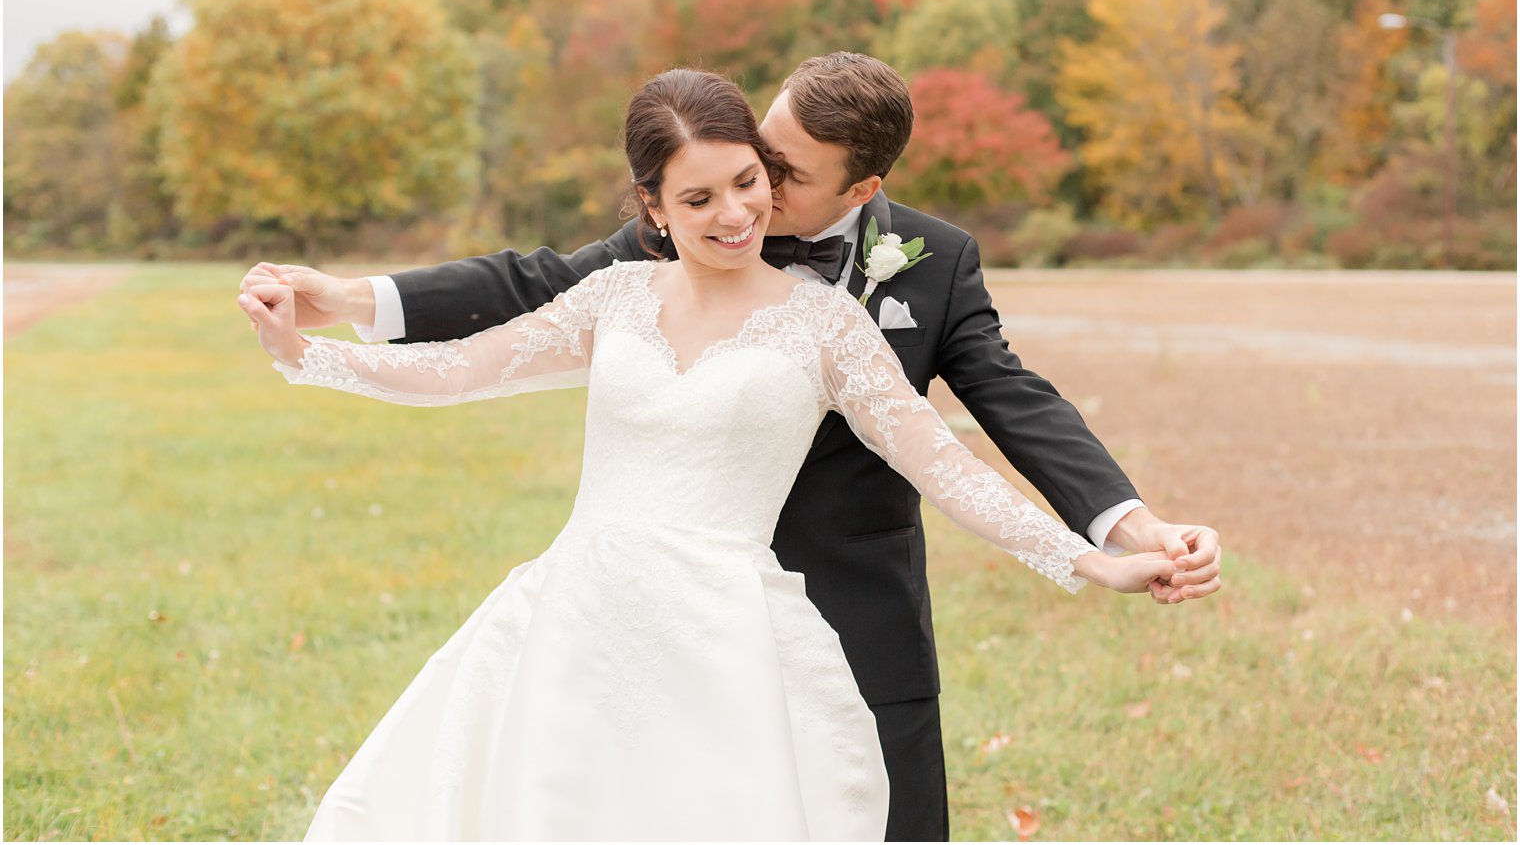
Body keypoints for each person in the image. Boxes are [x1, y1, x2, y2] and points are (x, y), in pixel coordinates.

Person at [243, 54, 1222, 841]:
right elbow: (494, 329)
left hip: (806, 608)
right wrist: (330, 326)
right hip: (594, 614)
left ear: (861, 186)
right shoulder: (647, 260)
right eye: (721, 179)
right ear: (657, 208)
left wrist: (1109, 547)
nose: (743, 207)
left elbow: (985, 426)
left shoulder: (896, 282)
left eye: (768, 177)